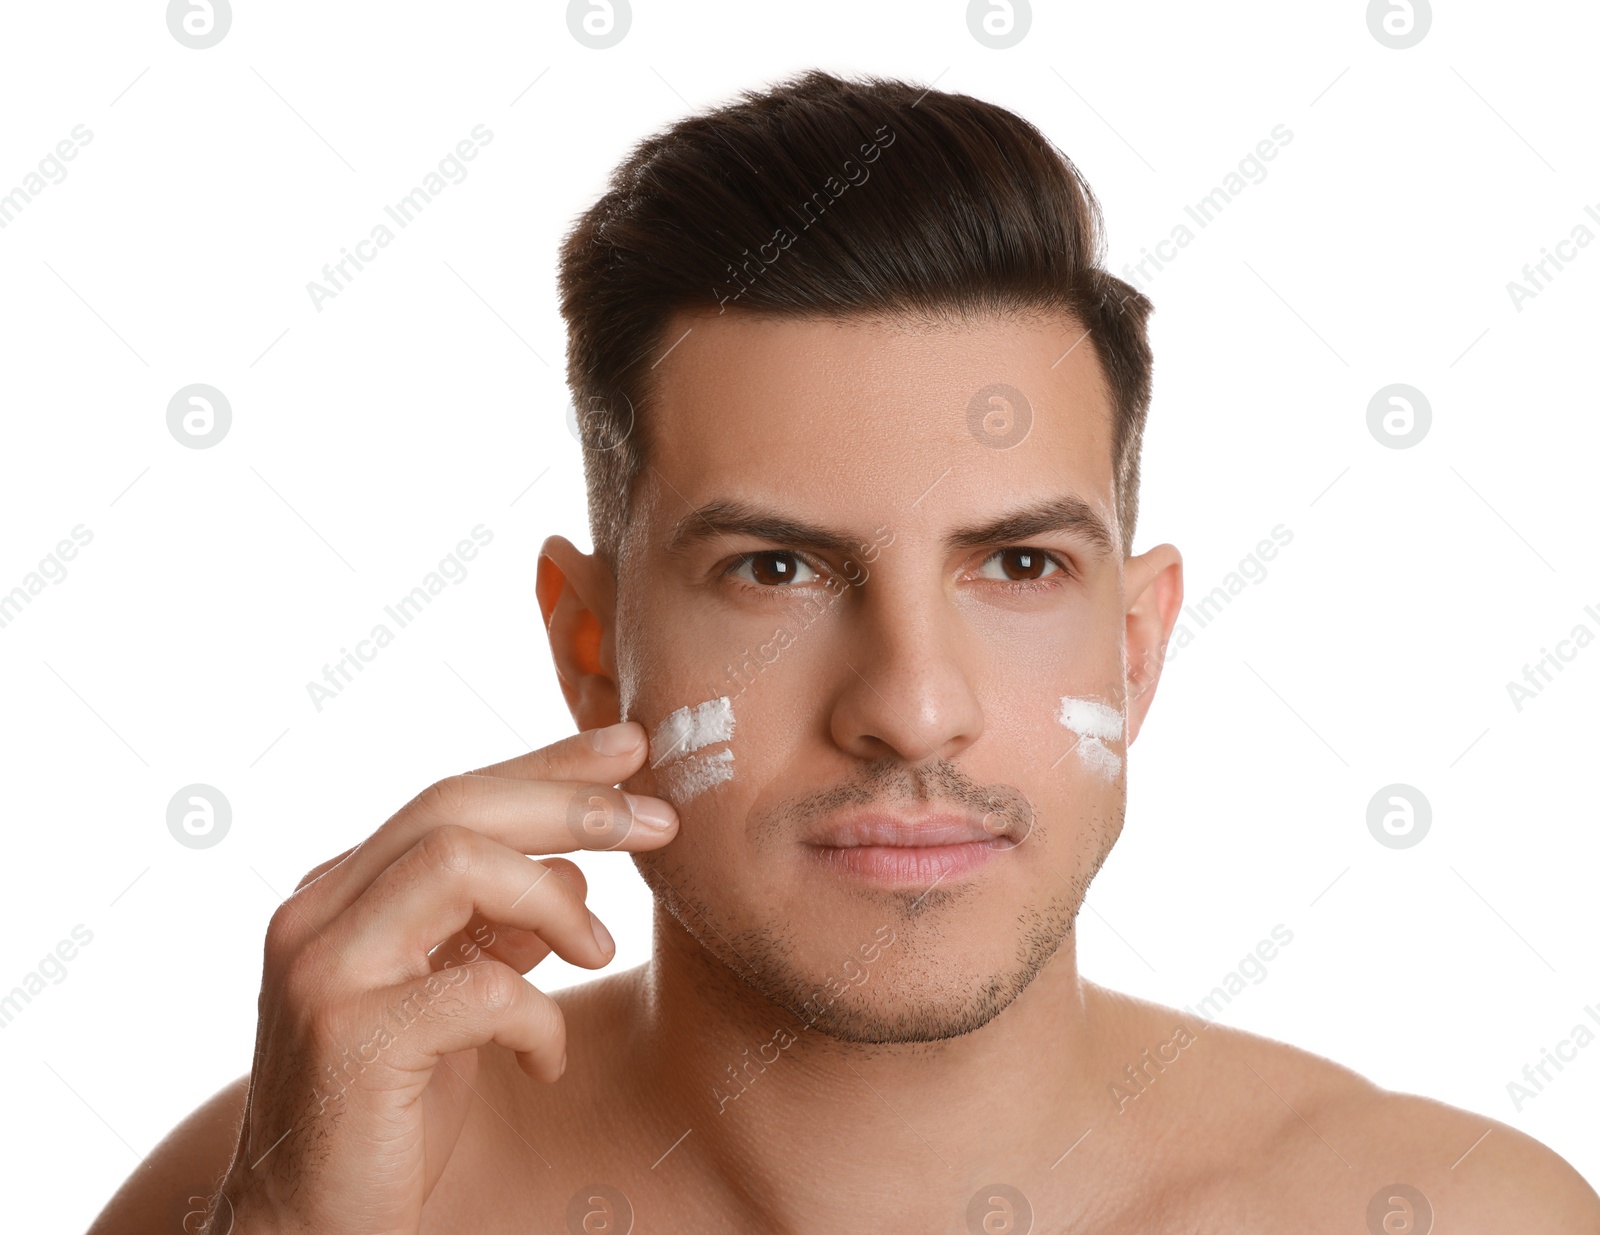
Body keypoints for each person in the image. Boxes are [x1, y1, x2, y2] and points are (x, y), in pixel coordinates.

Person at [90, 68, 1597, 1235]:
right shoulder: (308, 1187)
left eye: (1018, 564)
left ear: (1136, 648)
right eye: (779, 568)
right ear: (593, 645)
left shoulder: (1447, 1217)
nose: (912, 708)